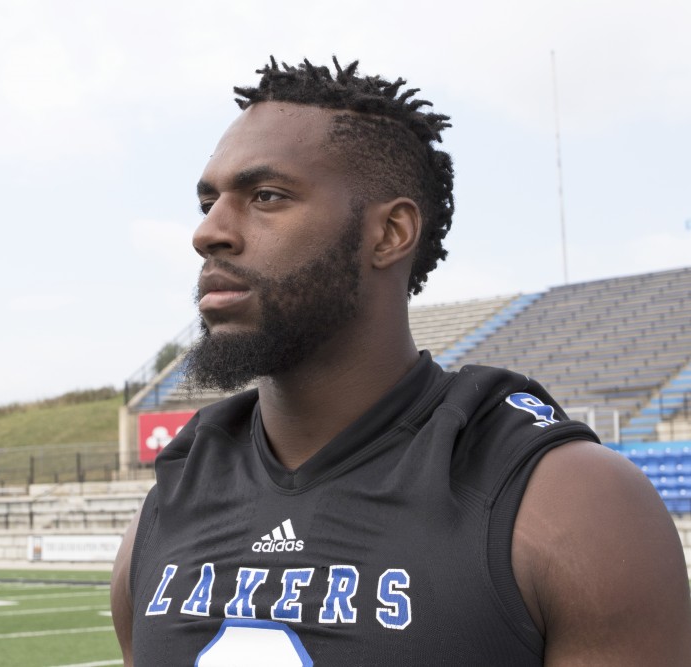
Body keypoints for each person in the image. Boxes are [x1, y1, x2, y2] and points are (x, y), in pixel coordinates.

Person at [111, 56, 691, 665]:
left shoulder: (568, 505)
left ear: (390, 234)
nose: (209, 232)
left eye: (266, 196)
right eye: (209, 201)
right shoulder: (166, 508)